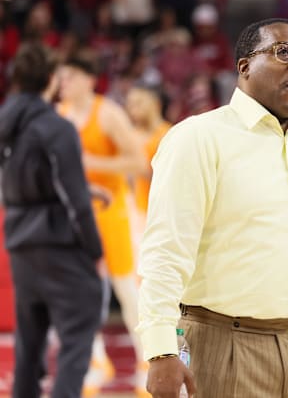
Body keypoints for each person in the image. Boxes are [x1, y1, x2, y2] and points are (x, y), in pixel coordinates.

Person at [137, 18, 288, 398]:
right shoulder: (197, 138)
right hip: (222, 342)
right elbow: (165, 252)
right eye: (283, 52)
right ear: (244, 66)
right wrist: (161, 349)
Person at [0, 42, 103, 398]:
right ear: (51, 79)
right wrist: (95, 249)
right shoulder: (54, 127)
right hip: (58, 245)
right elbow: (75, 201)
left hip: (19, 245)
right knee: (79, 334)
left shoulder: (7, 122)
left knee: (29, 345)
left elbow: (32, 179)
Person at [56, 50, 147, 396]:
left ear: (88, 80)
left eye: (69, 78)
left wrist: (89, 161)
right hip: (76, 213)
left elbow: (137, 162)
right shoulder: (60, 115)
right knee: (81, 293)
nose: (62, 84)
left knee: (127, 290)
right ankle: (95, 360)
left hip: (113, 211)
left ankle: (148, 359)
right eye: (61, 78)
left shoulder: (107, 114)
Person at [124, 83, 171, 216]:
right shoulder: (128, 135)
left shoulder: (169, 134)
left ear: (156, 103)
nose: (133, 108)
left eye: (139, 103)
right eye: (130, 104)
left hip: (160, 212)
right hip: (131, 211)